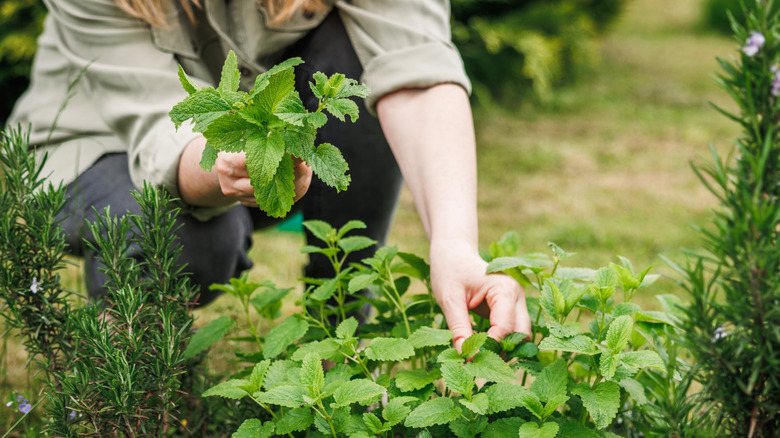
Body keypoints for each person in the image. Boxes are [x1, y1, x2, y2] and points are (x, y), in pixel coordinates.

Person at [7, 0, 530, 350]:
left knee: (356, 72)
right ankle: (132, 360)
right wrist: (232, 167)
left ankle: (340, 336)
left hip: (260, 148)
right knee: (187, 242)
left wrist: (456, 245)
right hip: (92, 146)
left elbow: (413, 66)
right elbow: (159, 130)